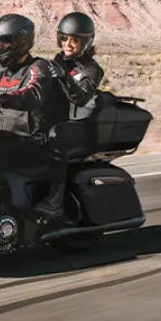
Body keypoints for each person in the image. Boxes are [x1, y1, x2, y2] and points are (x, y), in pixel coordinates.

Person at [0, 13, 61, 237]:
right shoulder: (1, 72)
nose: (0, 46)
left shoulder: (38, 67)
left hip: (32, 143)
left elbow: (32, 94)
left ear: (22, 40)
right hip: (4, 139)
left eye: (5, 41)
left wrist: (1, 99)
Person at [32, 11, 104, 219]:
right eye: (64, 38)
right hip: (56, 122)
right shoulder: (56, 62)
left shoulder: (92, 69)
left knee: (57, 134)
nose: (68, 44)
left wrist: (64, 76)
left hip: (80, 126)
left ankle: (54, 201)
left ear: (86, 42)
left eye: (75, 40)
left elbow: (81, 98)